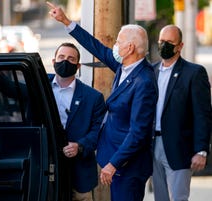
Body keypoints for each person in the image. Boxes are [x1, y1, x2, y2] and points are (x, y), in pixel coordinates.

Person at [47, 2, 158, 201]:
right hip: (116, 158)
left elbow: (138, 132)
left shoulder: (144, 81)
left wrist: (114, 163)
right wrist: (66, 21)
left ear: (130, 47)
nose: (114, 45)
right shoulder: (125, 67)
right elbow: (96, 47)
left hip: (128, 165)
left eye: (118, 41)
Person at [0, 43, 107, 201]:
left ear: (78, 66)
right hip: (44, 165)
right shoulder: (39, 84)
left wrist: (80, 146)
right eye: (61, 57)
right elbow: (10, 89)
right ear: (54, 61)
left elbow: (98, 132)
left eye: (71, 59)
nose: (65, 62)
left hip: (79, 172)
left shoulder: (93, 97)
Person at [152, 25, 212, 201]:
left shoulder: (194, 73)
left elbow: (203, 114)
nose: (165, 45)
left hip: (179, 147)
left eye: (170, 42)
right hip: (152, 145)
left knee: (178, 197)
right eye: (162, 42)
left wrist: (201, 150)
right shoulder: (152, 71)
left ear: (180, 46)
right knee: (160, 198)